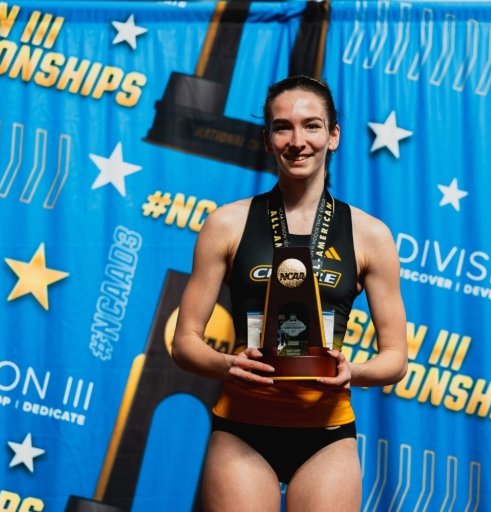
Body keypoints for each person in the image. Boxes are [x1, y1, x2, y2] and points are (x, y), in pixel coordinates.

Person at [171, 75, 408, 512]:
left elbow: (396, 358)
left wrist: (352, 371)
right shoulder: (226, 224)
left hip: (326, 434)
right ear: (268, 140)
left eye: (312, 126)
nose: (297, 140)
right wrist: (227, 363)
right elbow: (183, 342)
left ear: (334, 135)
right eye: (283, 127)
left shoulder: (371, 235)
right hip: (242, 428)